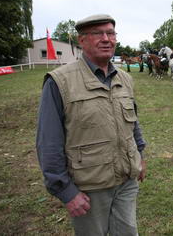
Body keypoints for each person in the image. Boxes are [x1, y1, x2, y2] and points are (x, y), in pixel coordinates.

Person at [36, 14, 146, 236]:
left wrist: (140, 155)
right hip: (89, 189)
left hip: (126, 182)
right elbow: (48, 142)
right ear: (82, 41)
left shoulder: (124, 79)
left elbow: (132, 122)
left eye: (111, 33)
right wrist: (66, 191)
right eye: (97, 33)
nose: (106, 39)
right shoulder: (59, 82)